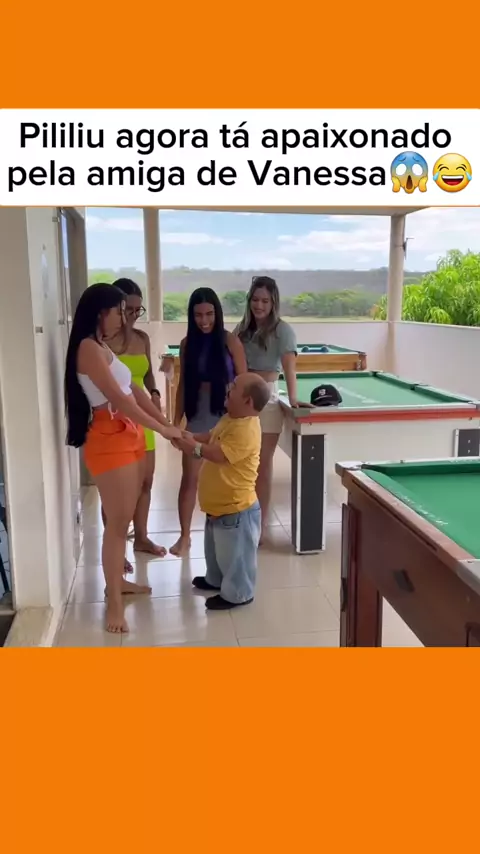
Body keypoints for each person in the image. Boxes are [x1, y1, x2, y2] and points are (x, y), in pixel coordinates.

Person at [64, 283, 181, 634]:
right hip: (108, 438)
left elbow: (135, 391)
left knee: (124, 516)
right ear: (100, 313)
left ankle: (120, 583)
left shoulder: (101, 346)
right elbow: (120, 399)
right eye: (117, 311)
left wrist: (166, 424)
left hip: (127, 433)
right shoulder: (88, 348)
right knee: (117, 526)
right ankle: (114, 601)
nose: (123, 317)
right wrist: (164, 431)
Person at [175, 373, 270, 609]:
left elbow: (219, 454)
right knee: (217, 551)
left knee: (236, 557)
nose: (228, 387)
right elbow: (212, 436)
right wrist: (192, 437)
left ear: (247, 401)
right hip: (219, 507)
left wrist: (194, 448)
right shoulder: (230, 418)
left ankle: (238, 593)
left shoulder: (246, 430)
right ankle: (215, 579)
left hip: (237, 510)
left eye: (234, 386)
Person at [170, 287, 246, 557]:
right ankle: (185, 536)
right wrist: (174, 422)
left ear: (217, 313)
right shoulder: (186, 344)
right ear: (191, 316)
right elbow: (182, 385)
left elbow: (244, 381)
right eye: (198, 315)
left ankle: (228, 534)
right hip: (198, 416)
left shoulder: (229, 341)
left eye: (209, 314)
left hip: (225, 417)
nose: (204, 320)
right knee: (190, 479)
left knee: (224, 481)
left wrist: (245, 421)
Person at [235, 276, 312, 543]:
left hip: (268, 398)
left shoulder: (283, 331)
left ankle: (260, 523)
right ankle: (241, 517)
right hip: (242, 398)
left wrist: (294, 398)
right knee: (241, 461)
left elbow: (289, 368)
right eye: (255, 300)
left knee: (261, 464)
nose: (259, 305)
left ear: (273, 303)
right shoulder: (242, 330)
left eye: (265, 301)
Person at [103, 277, 165, 566]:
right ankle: (115, 549)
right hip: (114, 420)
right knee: (116, 490)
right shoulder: (102, 342)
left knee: (145, 482)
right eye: (128, 309)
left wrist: (155, 393)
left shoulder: (142, 339)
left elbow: (148, 375)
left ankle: (141, 537)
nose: (133, 315)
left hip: (143, 418)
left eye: (138, 310)